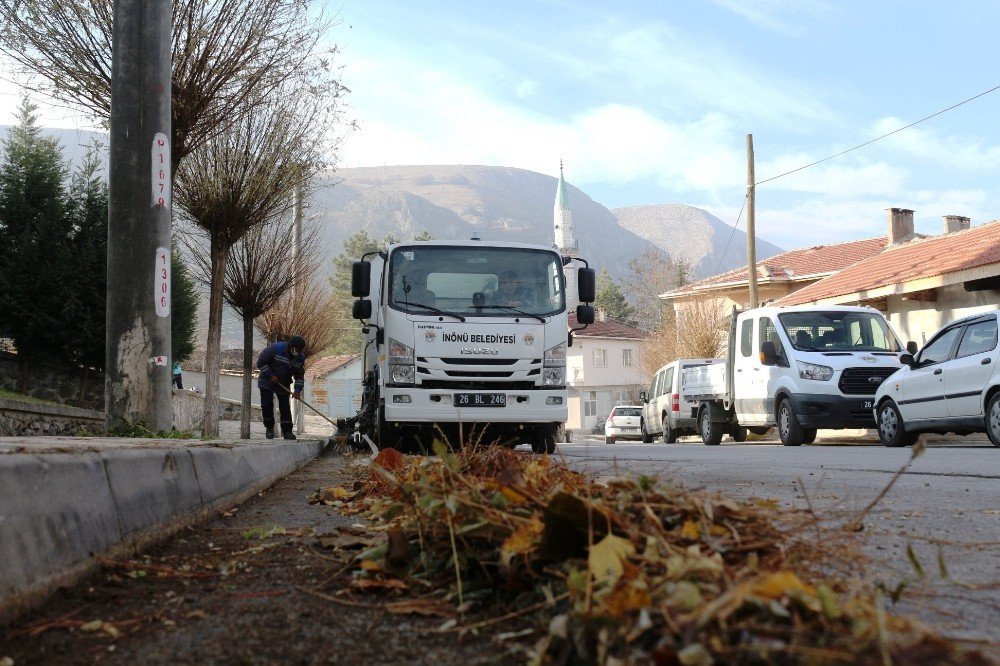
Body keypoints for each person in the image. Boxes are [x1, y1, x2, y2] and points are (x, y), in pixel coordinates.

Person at [256, 335, 307, 440]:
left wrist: (297, 390)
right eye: (297, 349)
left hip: (283, 384)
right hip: (267, 382)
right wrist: (271, 375)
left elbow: (299, 376)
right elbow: (260, 362)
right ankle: (269, 427)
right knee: (267, 404)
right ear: (291, 346)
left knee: (285, 407)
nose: (299, 352)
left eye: (301, 350)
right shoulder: (275, 349)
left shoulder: (300, 358)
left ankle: (287, 431)